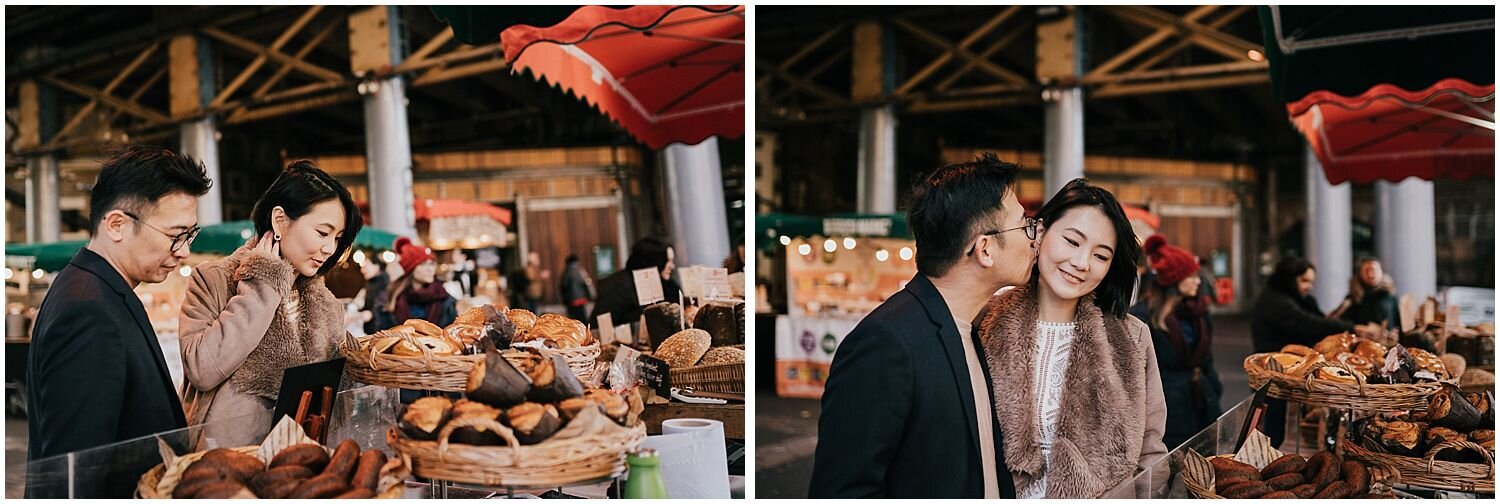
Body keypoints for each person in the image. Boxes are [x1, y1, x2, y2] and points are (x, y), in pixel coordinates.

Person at [810, 153, 1031, 498]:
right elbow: (842, 489)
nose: (1033, 236)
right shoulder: (887, 341)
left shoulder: (974, 330)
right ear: (985, 248)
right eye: (1024, 224)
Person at [26, 146, 209, 496]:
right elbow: (75, 472)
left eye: (190, 235)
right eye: (175, 235)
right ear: (116, 225)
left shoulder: (102, 288)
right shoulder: (87, 310)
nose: (184, 250)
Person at [977, 178, 1167, 499]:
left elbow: (1151, 452)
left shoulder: (1133, 337)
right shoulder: (985, 321)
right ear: (1040, 233)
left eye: (1101, 255)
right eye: (1072, 241)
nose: (1081, 263)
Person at [177, 161, 361, 449]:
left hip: (301, 460)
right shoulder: (214, 280)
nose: (329, 249)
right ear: (280, 221)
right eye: (322, 233)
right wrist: (262, 285)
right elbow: (203, 369)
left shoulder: (327, 304)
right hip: (226, 462)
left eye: (337, 239)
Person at [1250, 257, 1381, 447]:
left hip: (1284, 374)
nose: (1309, 286)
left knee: (1277, 431)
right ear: (1289, 279)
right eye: (1304, 281)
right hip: (1273, 374)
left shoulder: (1294, 298)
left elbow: (1314, 318)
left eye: (1311, 281)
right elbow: (1307, 323)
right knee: (1270, 434)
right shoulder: (1276, 301)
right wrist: (1353, 327)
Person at [1131, 235, 1224, 450]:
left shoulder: (1199, 313)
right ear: (1174, 279)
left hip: (1201, 405)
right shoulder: (1143, 317)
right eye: (1192, 276)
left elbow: (1207, 361)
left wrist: (1213, 387)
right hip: (1166, 411)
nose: (1198, 282)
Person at [591, 236, 682, 325]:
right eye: (667, 261)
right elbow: (600, 325)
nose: (672, 266)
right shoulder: (619, 286)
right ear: (654, 260)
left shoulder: (668, 285)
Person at [386, 237, 456, 327]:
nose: (430, 269)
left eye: (432, 264)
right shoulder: (392, 299)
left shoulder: (444, 297)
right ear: (410, 269)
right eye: (423, 264)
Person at [1331, 257, 1402, 332]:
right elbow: (1342, 324)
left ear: (1381, 272)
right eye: (1366, 270)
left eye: (1374, 270)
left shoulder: (1390, 296)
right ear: (1360, 273)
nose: (1370, 274)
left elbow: (1398, 322)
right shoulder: (1353, 298)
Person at [360, 256, 393, 333]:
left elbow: (381, 304)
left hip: (382, 328)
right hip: (372, 327)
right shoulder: (371, 283)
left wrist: (371, 313)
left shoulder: (384, 283)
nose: (362, 270)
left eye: (365, 266)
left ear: (377, 266)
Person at [559, 254, 595, 323]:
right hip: (581, 298)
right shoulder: (581, 270)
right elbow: (587, 283)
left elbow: (563, 285)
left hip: (571, 300)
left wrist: (564, 299)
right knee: (582, 318)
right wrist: (590, 295)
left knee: (573, 319)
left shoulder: (567, 271)